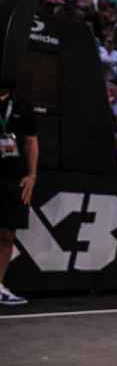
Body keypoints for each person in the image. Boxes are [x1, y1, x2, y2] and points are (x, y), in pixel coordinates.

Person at [0, 86, 38, 305]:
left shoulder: (22, 105)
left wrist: (32, 175)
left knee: (7, 234)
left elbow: (32, 141)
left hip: (13, 177)